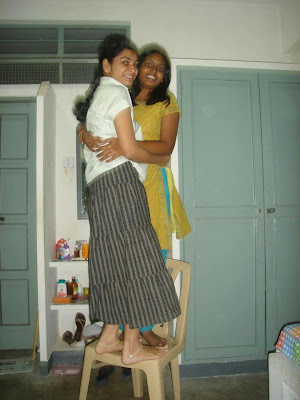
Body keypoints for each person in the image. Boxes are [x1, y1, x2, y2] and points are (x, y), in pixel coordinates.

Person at [78, 44, 191, 381]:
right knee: (138, 261)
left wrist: (126, 147)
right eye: (140, 63)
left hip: (139, 186)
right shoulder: (119, 94)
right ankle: (131, 343)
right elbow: (111, 139)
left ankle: (112, 337)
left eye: (160, 67)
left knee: (124, 258)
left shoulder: (161, 101)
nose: (148, 70)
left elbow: (164, 151)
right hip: (123, 184)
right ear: (109, 66)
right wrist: (91, 136)